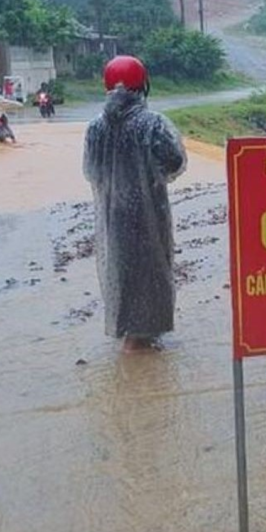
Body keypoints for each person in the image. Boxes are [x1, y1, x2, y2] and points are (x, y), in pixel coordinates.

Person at [83, 55, 187, 351]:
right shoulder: (152, 124)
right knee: (153, 273)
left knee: (122, 272)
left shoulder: (95, 128)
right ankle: (140, 342)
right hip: (149, 212)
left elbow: (92, 172)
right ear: (143, 85)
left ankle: (131, 335)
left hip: (113, 215)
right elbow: (174, 162)